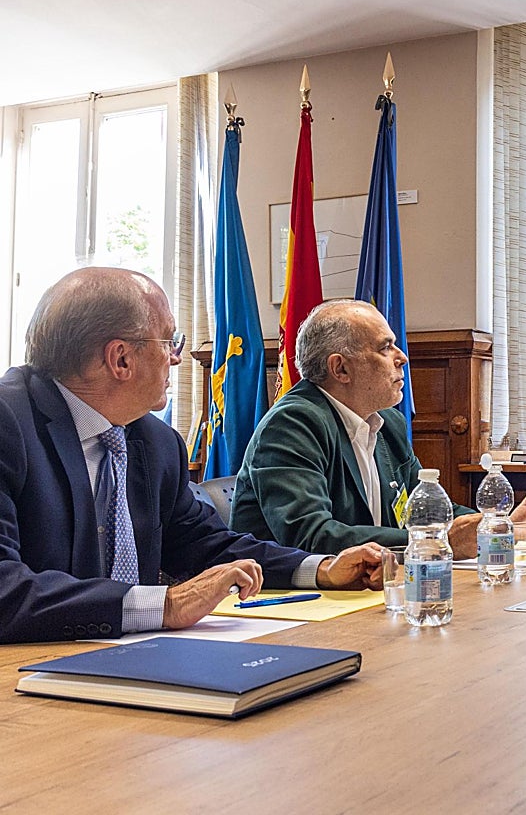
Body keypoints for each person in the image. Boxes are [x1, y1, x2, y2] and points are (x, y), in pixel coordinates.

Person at [0, 268, 383, 645]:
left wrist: (320, 569)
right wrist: (164, 605)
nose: (178, 358)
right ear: (120, 360)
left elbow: (207, 544)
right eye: (169, 342)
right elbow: (5, 588)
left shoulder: (155, 442)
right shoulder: (8, 422)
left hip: (129, 661)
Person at [231, 300, 526, 558]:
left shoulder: (387, 422)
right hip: (288, 606)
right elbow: (311, 537)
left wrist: (500, 524)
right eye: (385, 347)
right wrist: (439, 539)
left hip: (370, 588)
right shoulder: (292, 425)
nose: (402, 358)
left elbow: (424, 509)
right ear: (341, 369)